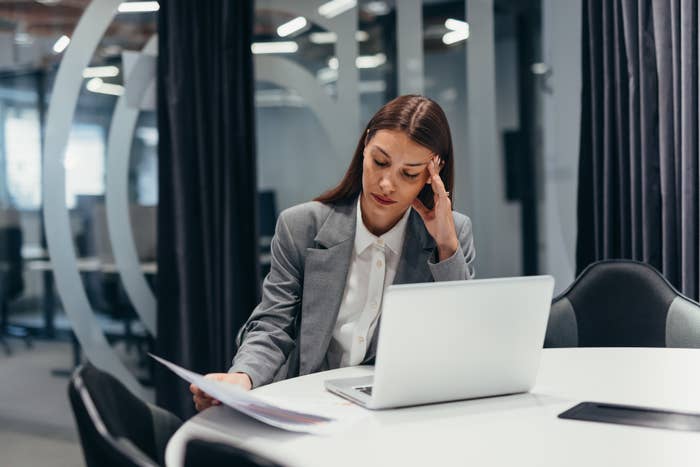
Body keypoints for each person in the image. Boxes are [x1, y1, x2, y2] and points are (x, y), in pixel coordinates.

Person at [191, 95, 476, 411]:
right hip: (310, 405)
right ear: (365, 146)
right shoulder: (301, 225)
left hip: (397, 411)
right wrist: (242, 378)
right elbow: (273, 325)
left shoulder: (452, 234)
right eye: (380, 162)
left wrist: (447, 246)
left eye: (408, 174)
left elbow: (460, 342)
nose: (386, 184)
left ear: (432, 175)